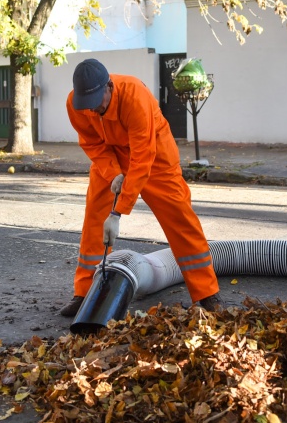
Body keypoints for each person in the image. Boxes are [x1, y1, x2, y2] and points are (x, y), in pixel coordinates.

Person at [60, 58, 224, 317]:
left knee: (180, 219)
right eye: (87, 104)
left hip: (154, 154)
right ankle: (85, 293)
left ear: (109, 87)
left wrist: (118, 212)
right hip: (111, 156)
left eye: (97, 102)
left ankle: (206, 293)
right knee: (94, 221)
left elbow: (142, 157)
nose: (93, 109)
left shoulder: (134, 96)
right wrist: (113, 173)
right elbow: (92, 143)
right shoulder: (76, 104)